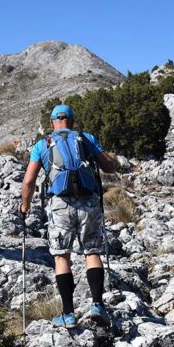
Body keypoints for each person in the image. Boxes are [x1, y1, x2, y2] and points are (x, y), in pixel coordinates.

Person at [20, 104, 116, 328]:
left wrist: (24, 206)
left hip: (59, 204)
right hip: (88, 202)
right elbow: (109, 166)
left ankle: (68, 314)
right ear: (72, 121)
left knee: (62, 256)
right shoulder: (86, 138)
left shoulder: (42, 144)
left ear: (52, 122)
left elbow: (29, 181)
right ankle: (98, 305)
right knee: (92, 252)